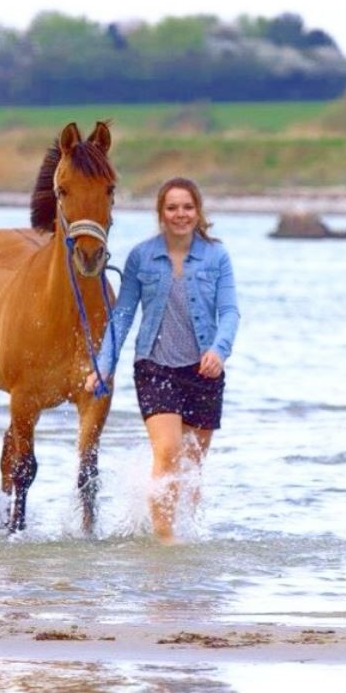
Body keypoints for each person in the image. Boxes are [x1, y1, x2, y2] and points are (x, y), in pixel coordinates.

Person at [85, 177, 239, 542]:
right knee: (168, 452)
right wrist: (103, 365)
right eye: (172, 208)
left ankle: (183, 535)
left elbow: (230, 311)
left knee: (192, 468)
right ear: (160, 213)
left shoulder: (217, 256)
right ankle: (165, 541)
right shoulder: (141, 256)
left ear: (197, 211)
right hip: (155, 367)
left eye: (187, 207)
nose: (180, 214)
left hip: (204, 370)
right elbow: (122, 315)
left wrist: (219, 349)